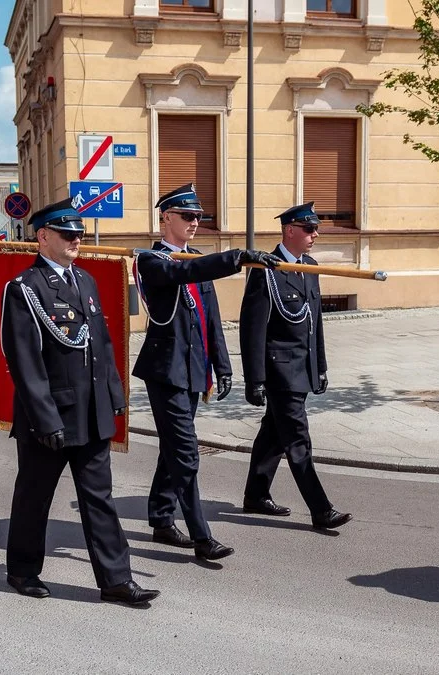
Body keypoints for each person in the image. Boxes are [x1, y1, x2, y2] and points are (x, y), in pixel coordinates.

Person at [1, 199, 159, 606]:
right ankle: (22, 570)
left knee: (99, 498)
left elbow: (101, 346)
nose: (76, 240)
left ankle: (116, 581)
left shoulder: (85, 281)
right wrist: (46, 419)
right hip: (49, 418)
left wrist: (113, 396)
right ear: (42, 237)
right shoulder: (24, 289)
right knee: (34, 497)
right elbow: (24, 361)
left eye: (78, 234)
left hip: (90, 414)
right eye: (67, 234)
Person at [133, 183, 281, 561]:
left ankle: (161, 518)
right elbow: (186, 272)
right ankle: (201, 537)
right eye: (188, 216)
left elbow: (211, 319)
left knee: (173, 449)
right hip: (165, 371)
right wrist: (235, 258)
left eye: (199, 217)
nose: (196, 222)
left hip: (194, 370)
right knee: (186, 453)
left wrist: (224, 365)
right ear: (166, 217)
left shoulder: (195, 259)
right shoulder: (151, 260)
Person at [239, 203, 351, 530]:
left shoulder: (310, 267)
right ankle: (321, 509)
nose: (315, 234)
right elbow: (253, 329)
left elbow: (315, 323)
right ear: (290, 230)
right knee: (298, 439)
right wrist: (254, 380)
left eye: (315, 229)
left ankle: (256, 495)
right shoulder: (266, 270)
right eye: (309, 229)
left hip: (302, 368)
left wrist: (321, 367)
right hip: (280, 371)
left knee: (273, 433)